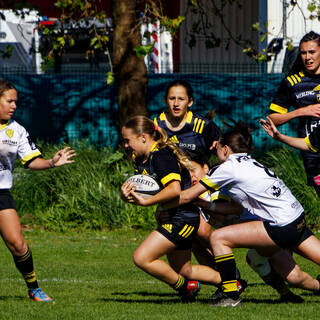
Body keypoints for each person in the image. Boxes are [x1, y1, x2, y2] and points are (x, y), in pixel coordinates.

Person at [160, 121, 320, 307]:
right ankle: (304, 290)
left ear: (226, 149)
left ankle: (231, 295)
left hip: (280, 225)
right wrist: (208, 206)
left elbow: (187, 195)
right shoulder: (248, 161)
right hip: (296, 217)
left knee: (219, 238)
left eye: (218, 148)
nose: (215, 151)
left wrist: (154, 202)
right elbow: (236, 207)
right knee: (273, 267)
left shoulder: (229, 168)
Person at [187, 156, 319, 303]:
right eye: (187, 172)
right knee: (291, 277)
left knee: (220, 238)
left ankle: (231, 295)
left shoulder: (218, 183)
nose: (191, 175)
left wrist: (202, 204)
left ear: (206, 168)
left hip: (274, 229)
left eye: (193, 170)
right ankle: (290, 293)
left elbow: (225, 215)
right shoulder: (205, 190)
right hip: (282, 224)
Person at [120, 115, 222, 303]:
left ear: (143, 137)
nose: (125, 145)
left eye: (128, 141)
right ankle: (231, 282)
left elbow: (174, 190)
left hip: (182, 217)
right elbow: (148, 189)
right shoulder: (140, 158)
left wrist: (146, 203)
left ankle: (186, 288)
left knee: (142, 257)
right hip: (172, 216)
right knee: (185, 270)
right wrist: (126, 194)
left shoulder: (162, 155)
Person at [0, 79, 76, 302]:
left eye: (16, 101)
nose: (14, 105)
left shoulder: (17, 130)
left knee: (17, 243)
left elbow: (31, 160)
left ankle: (34, 288)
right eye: (9, 101)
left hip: (2, 194)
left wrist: (52, 162)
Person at [268, 31, 320, 197]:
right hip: (312, 154)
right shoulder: (292, 82)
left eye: (312, 52)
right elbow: (273, 119)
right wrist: (301, 111)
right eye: (303, 53)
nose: (307, 57)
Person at [153, 79, 221, 162]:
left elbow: (226, 154)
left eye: (181, 99)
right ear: (165, 101)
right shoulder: (156, 125)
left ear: (190, 102)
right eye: (172, 98)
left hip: (197, 174)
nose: (176, 104)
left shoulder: (204, 125)